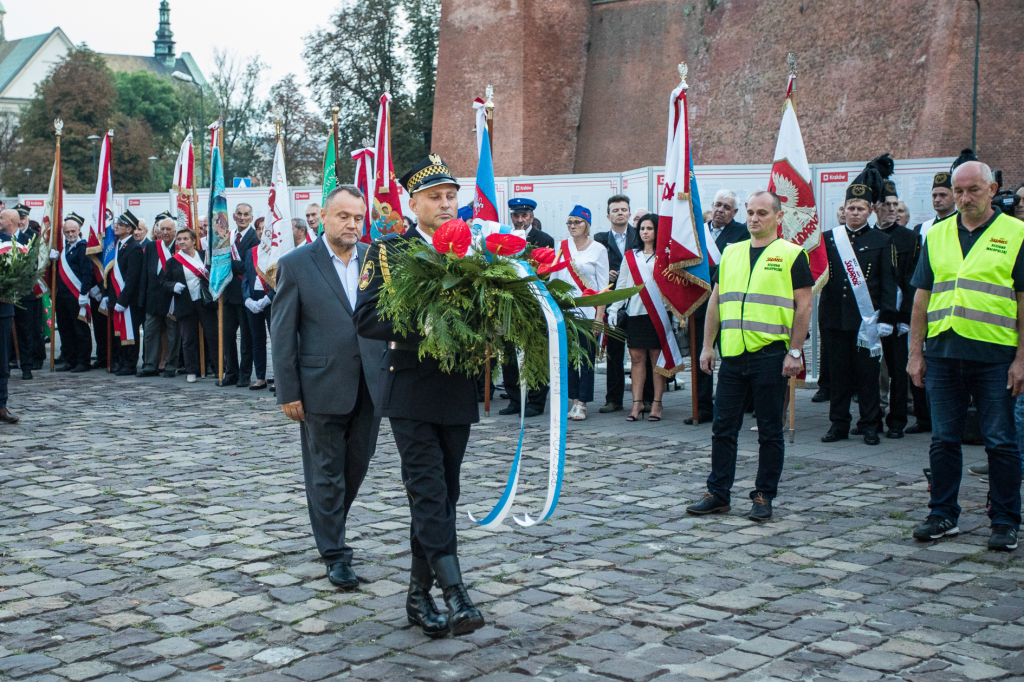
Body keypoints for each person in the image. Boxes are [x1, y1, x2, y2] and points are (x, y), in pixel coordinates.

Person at [355, 154, 484, 638]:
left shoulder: (475, 251)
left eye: (452, 196)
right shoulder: (388, 253)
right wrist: (422, 325)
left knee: (443, 495)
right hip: (409, 387)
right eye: (436, 197)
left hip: (456, 389)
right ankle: (455, 594)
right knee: (428, 490)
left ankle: (416, 596)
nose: (447, 204)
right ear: (413, 204)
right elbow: (366, 318)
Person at [273, 185, 386, 593]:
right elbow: (283, 332)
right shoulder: (297, 264)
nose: (352, 224)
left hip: (371, 387)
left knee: (355, 468)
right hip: (320, 387)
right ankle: (335, 555)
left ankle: (330, 525)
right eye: (343, 216)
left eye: (358, 217)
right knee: (326, 473)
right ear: (322, 217)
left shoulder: (377, 259)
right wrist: (288, 391)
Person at [908, 160, 1023, 552]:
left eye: (973, 189)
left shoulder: (1016, 233)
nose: (964, 198)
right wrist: (915, 354)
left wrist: (1022, 359)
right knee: (943, 440)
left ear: (992, 191)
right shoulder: (937, 234)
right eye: (958, 190)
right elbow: (921, 298)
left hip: (994, 356)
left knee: (1001, 442)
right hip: (942, 353)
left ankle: (1005, 520)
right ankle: (942, 514)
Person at [687, 191, 812, 521]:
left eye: (762, 213)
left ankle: (763, 496)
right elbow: (716, 301)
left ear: (778, 217)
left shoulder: (791, 254)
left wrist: (795, 351)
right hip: (732, 355)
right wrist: (707, 346)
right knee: (723, 428)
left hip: (771, 355)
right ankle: (718, 493)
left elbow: (804, 306)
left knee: (770, 430)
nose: (754, 218)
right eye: (751, 212)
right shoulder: (732, 252)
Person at [820, 159, 898, 445]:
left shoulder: (881, 240)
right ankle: (838, 424)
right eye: (850, 208)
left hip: (866, 321)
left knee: (867, 377)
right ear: (844, 210)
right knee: (838, 376)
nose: (854, 213)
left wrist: (888, 317)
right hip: (834, 318)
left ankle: (869, 425)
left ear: (870, 211)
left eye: (860, 208)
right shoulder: (828, 239)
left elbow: (889, 283)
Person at [688, 189, 750, 424]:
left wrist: (706, 277)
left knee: (730, 355)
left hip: (728, 303)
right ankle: (703, 407)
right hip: (698, 302)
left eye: (726, 207)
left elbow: (738, 267)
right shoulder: (698, 233)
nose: (720, 210)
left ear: (735, 212)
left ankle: (736, 404)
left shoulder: (743, 233)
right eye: (717, 205)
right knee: (702, 354)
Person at [607, 214, 668, 422]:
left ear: (657, 231)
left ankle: (657, 404)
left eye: (650, 228)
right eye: (642, 228)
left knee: (656, 359)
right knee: (636, 358)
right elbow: (622, 285)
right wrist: (614, 308)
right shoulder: (630, 256)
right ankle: (637, 403)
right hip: (635, 313)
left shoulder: (665, 256)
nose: (645, 232)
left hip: (658, 314)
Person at [499, 197, 554, 418]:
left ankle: (536, 400)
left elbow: (547, 271)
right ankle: (515, 399)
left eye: (524, 215)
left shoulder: (543, 239)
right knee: (509, 353)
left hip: (534, 302)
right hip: (509, 303)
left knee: (535, 353)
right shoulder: (504, 238)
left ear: (531, 216)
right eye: (516, 215)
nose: (520, 219)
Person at [555, 204, 609, 421]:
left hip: (588, 313)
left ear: (587, 224)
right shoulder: (561, 246)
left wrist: (599, 317)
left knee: (586, 359)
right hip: (566, 312)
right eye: (569, 222)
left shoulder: (598, 249)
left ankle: (583, 402)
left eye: (577, 222)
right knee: (568, 359)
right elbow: (554, 278)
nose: (572, 226)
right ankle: (573, 399)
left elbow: (604, 287)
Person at [875, 179, 919, 439]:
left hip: (897, 316)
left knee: (898, 371)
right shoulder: (867, 235)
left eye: (895, 205)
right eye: (886, 205)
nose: (892, 209)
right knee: (869, 372)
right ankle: (871, 417)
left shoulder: (910, 239)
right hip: (870, 315)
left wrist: (905, 317)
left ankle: (897, 420)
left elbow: (912, 282)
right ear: (876, 208)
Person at [594, 195, 640, 413]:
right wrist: (610, 275)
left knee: (640, 351)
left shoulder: (639, 235)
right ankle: (614, 399)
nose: (620, 213)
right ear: (608, 215)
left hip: (637, 300)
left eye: (624, 209)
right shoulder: (600, 239)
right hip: (612, 301)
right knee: (613, 352)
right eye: (616, 210)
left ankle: (645, 399)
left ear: (630, 214)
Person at [161, 228, 216, 383]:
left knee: (212, 336)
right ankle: (191, 370)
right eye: (179, 239)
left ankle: (219, 368)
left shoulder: (204, 256)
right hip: (185, 302)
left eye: (185, 239)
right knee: (188, 339)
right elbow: (163, 282)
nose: (182, 242)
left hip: (204, 301)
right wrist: (173, 286)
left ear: (193, 241)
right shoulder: (173, 261)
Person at [49, 213, 93, 373]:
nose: (70, 234)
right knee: (65, 329)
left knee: (80, 329)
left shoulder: (83, 248)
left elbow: (87, 273)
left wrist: (84, 294)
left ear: (79, 230)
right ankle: (70, 359)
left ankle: (83, 361)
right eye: (67, 232)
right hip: (62, 297)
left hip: (76, 296)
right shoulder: (63, 249)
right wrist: (54, 259)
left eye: (73, 231)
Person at [103, 211, 146, 376]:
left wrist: (123, 300)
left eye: (120, 225)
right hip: (117, 297)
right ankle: (121, 361)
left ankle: (130, 364)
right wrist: (108, 295)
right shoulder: (117, 245)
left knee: (130, 332)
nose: (116, 227)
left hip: (128, 300)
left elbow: (132, 278)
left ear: (129, 229)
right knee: (118, 332)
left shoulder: (134, 248)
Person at [137, 215, 179, 378]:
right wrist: (142, 298)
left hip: (172, 300)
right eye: (163, 229)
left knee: (172, 335)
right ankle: (150, 365)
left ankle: (170, 365)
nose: (165, 232)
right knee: (149, 333)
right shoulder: (153, 247)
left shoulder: (179, 247)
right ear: (158, 231)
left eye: (169, 229)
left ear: (175, 231)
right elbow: (144, 275)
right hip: (152, 299)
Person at [223, 203, 259, 387]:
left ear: (251, 217)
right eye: (239, 214)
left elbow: (248, 266)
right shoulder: (228, 237)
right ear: (234, 216)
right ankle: (231, 372)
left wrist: (228, 263)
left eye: (246, 214)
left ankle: (245, 375)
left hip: (246, 294)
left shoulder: (255, 238)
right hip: (227, 294)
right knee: (227, 335)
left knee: (246, 337)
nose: (242, 217)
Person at [10, 203, 39, 378]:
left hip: (25, 292)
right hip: (6, 293)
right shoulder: (3, 237)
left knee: (26, 330)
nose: (20, 222)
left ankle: (26, 366)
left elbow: (35, 263)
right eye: (17, 218)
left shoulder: (33, 237)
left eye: (22, 218)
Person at [243, 219, 272, 391]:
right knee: (257, 340)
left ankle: (277, 377)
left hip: (270, 299)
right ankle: (260, 377)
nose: (261, 232)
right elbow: (246, 277)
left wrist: (268, 298)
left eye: (265, 229)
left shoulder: (277, 252)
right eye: (259, 229)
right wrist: (247, 298)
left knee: (276, 339)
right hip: (253, 299)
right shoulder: (251, 252)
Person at [1, 210, 22, 422]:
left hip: (3, 309)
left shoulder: (13, 245)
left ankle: (1, 405)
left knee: (2, 360)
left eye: (1, 218)